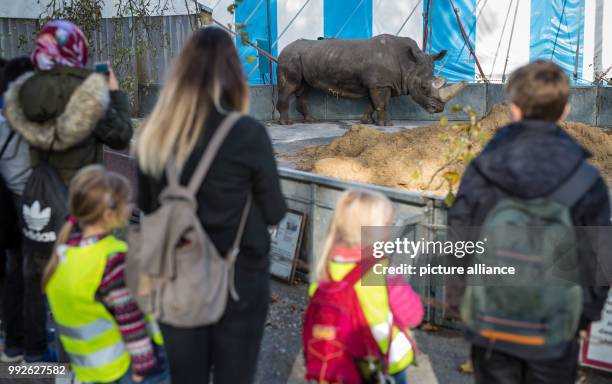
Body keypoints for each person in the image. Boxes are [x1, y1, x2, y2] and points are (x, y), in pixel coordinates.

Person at [136, 26, 286, 384]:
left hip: (177, 276)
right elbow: (275, 211)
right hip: (240, 281)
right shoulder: (248, 133)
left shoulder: (153, 137)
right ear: (234, 76)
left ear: (181, 73)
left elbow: (146, 208)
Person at [448, 61, 610, 384]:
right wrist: (582, 316)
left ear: (514, 108)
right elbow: (598, 260)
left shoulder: (483, 168)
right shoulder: (586, 179)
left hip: (492, 323)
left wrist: (459, 300)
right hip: (554, 328)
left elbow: (460, 238)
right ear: (564, 111)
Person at [1, 20, 133, 363]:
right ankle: (74, 361)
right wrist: (115, 92)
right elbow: (119, 134)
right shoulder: (88, 89)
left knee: (35, 273)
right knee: (82, 280)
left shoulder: (24, 91)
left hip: (36, 198)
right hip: (80, 201)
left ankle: (31, 354)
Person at [43, 165, 167, 384]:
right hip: (121, 366)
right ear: (110, 213)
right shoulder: (112, 259)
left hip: (87, 367)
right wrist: (143, 366)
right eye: (126, 202)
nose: (130, 207)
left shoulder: (63, 254)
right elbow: (130, 318)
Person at [310, 189, 424, 384]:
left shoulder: (325, 269)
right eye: (387, 225)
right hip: (384, 364)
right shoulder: (383, 271)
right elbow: (413, 316)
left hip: (341, 364)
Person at [0, 56, 35, 363]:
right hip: (32, 202)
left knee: (14, 272)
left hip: (7, 206)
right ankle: (33, 352)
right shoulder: (30, 119)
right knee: (32, 273)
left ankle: (13, 345)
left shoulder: (2, 120)